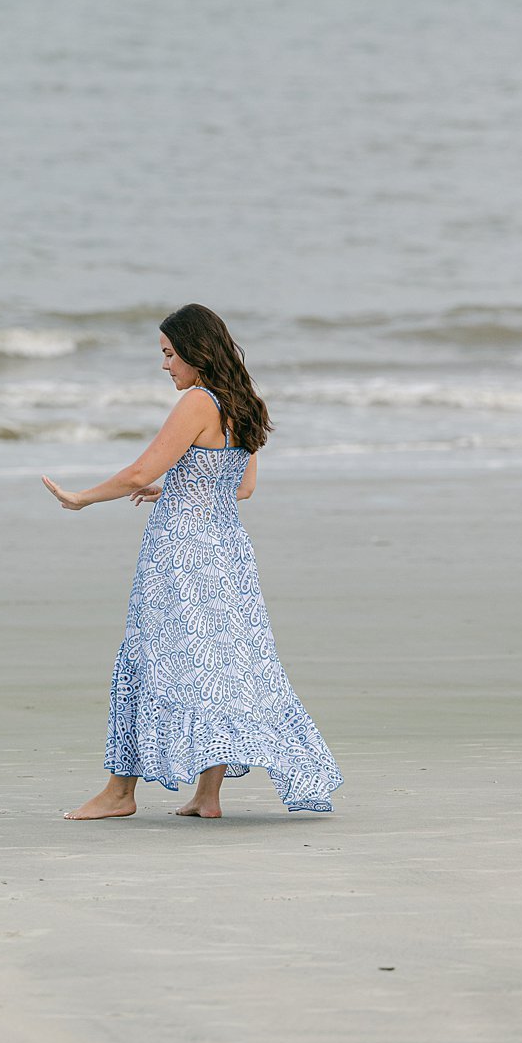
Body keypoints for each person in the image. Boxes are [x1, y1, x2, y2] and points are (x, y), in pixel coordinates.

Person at [42, 303, 341, 821]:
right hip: (227, 551)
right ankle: (207, 796)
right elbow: (242, 487)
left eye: (169, 354)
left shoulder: (197, 402)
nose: (165, 366)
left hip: (181, 553)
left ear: (194, 353)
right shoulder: (243, 402)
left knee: (150, 656)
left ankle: (120, 792)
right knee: (221, 666)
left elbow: (137, 473)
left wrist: (82, 498)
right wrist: (179, 487)